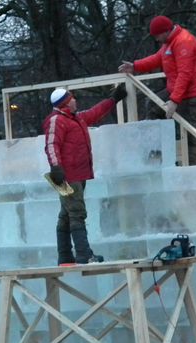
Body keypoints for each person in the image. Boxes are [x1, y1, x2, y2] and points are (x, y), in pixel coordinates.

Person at [43, 85, 127, 265]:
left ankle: (65, 255)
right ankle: (83, 254)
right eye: (71, 98)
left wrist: (112, 100)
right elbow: (51, 145)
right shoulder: (56, 120)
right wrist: (56, 167)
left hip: (78, 174)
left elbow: (95, 113)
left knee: (67, 214)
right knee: (77, 212)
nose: (75, 100)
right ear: (65, 103)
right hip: (67, 175)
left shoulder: (75, 119)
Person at [118, 15, 196, 164]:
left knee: (194, 132)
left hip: (194, 92)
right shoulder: (169, 42)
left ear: (165, 31)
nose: (156, 39)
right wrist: (135, 66)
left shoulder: (183, 42)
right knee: (154, 107)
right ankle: (156, 153)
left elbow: (185, 74)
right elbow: (157, 59)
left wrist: (174, 100)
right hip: (179, 89)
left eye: (157, 35)